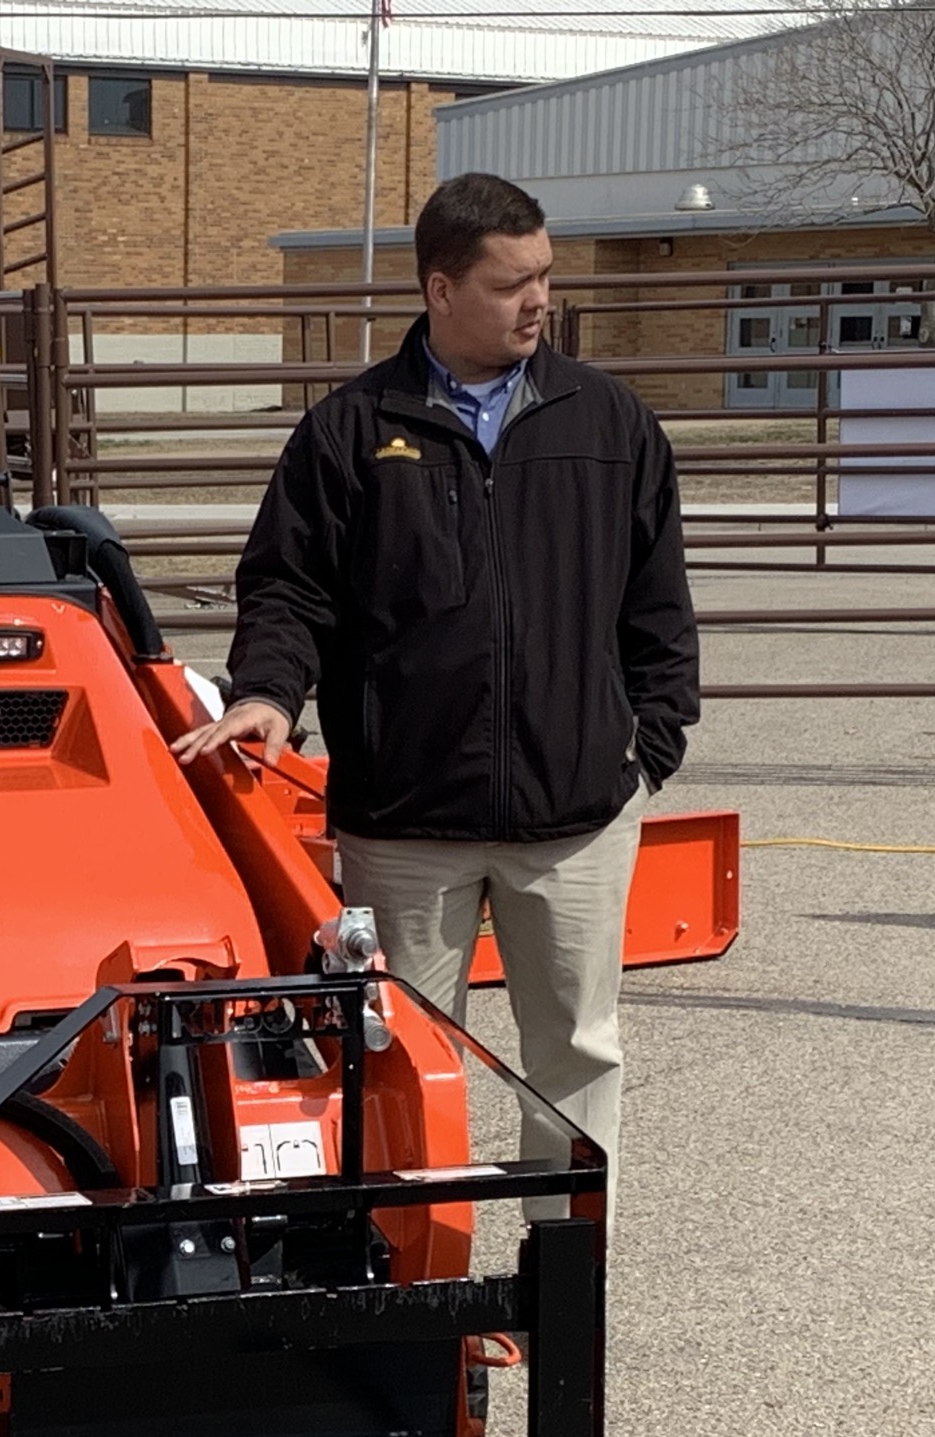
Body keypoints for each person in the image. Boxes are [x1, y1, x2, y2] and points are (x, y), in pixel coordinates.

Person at [175, 172, 698, 1216]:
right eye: (514, 283)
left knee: (577, 1054)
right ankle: (420, 1274)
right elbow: (288, 584)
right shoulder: (350, 430)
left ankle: (562, 1269)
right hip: (407, 821)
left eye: (545, 277)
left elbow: (658, 608)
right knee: (400, 1054)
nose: (538, 301)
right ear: (441, 287)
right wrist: (270, 693)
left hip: (578, 816)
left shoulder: (610, 423)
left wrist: (646, 750)